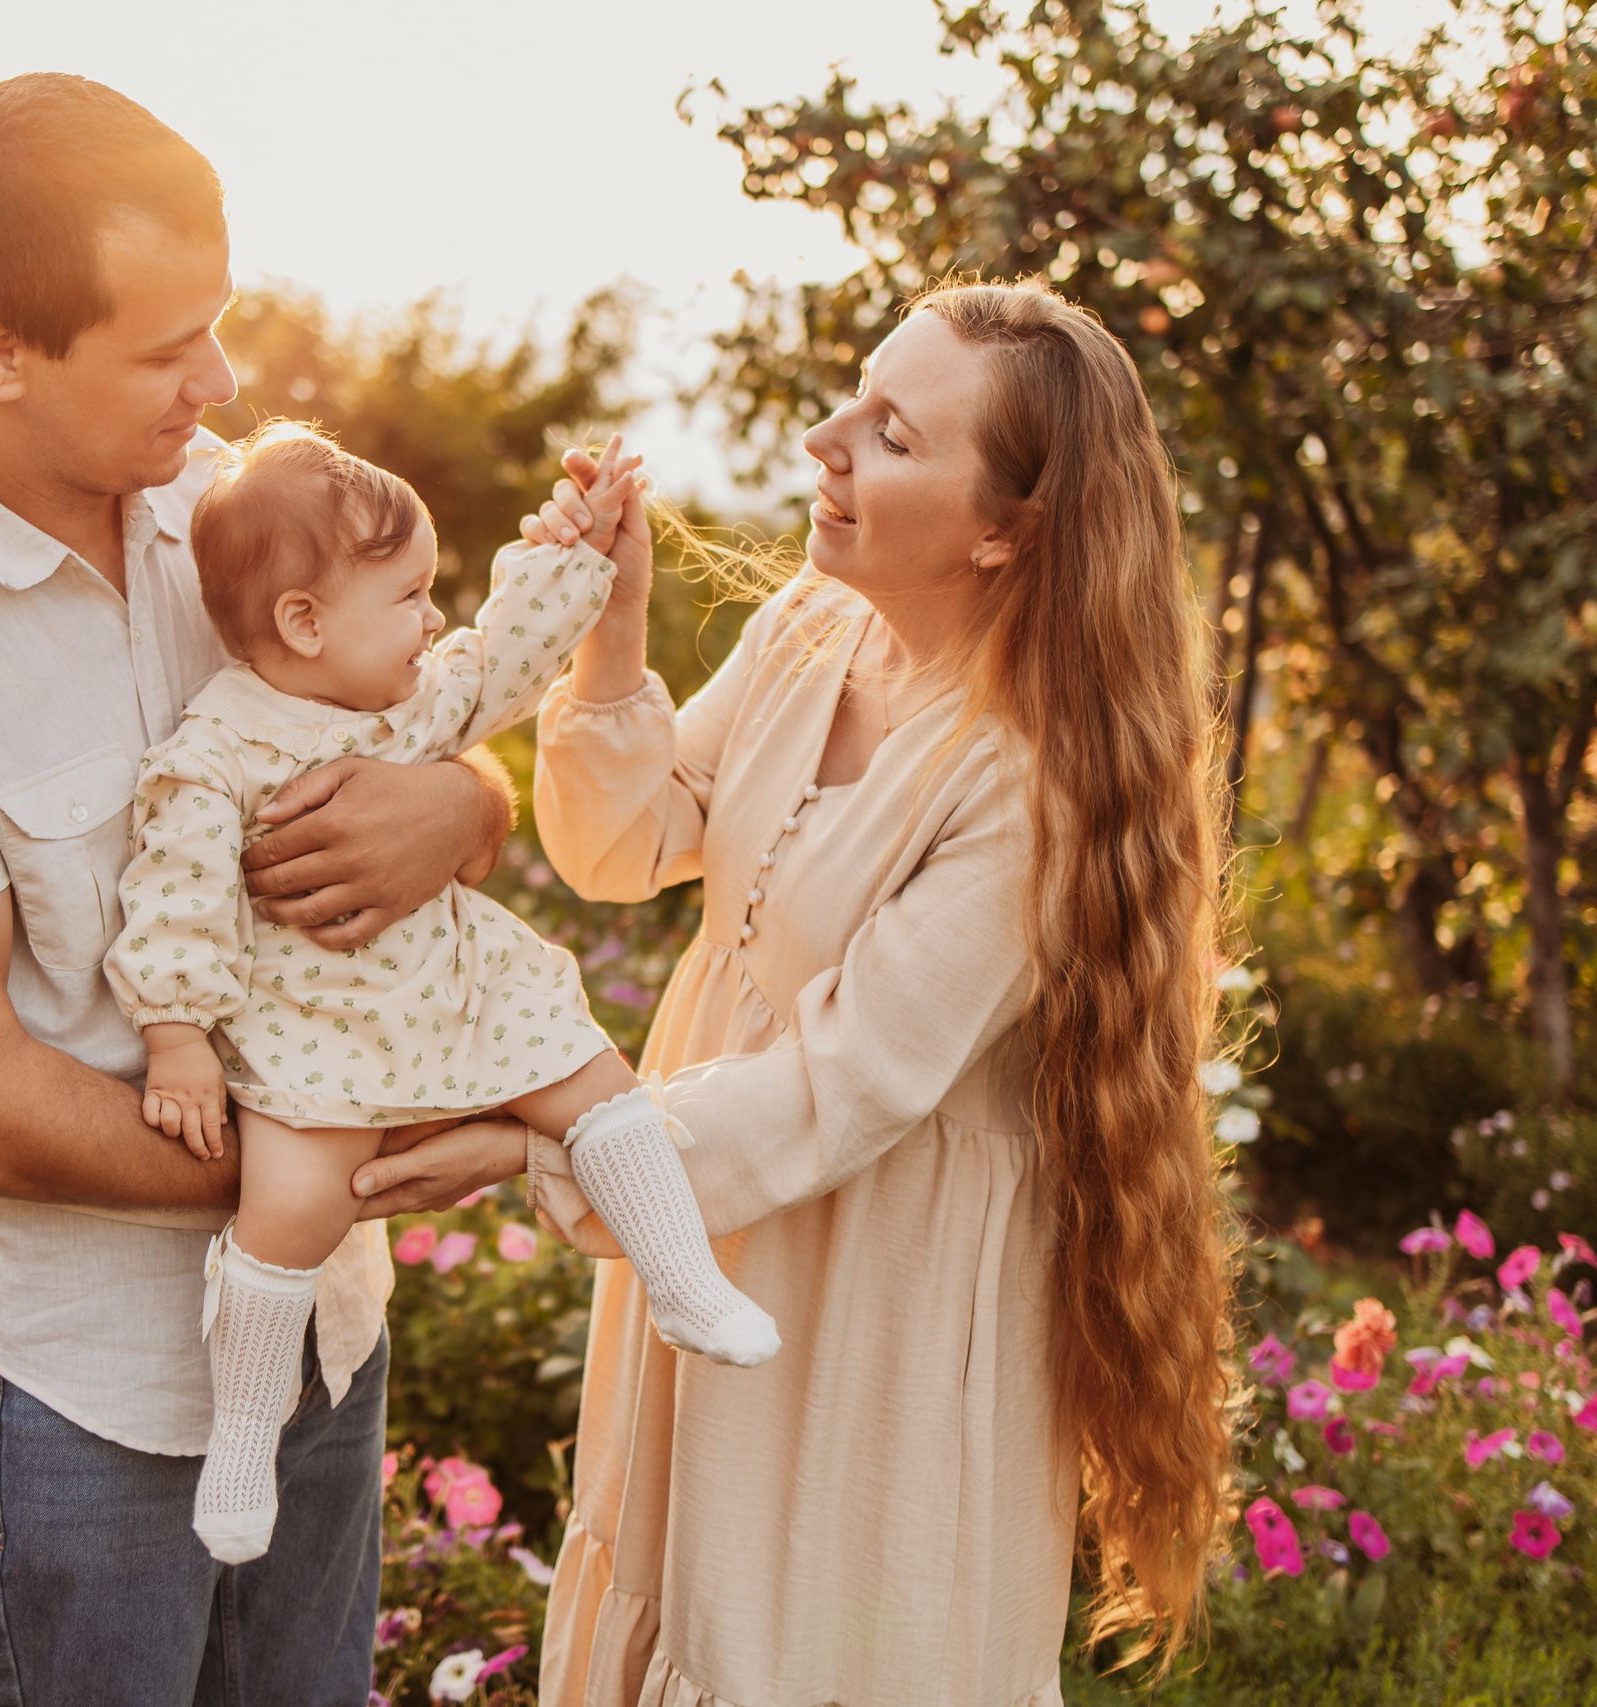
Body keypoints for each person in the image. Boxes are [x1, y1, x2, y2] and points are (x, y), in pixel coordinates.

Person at [0, 74, 524, 1706]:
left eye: (218, 326)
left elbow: (431, 726)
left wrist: (463, 803)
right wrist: (339, 1161)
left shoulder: (242, 512)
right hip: (82, 1373)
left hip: (316, 1332)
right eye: (167, 347)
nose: (220, 381)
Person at [501, 278, 1239, 1705]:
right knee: (684, 1601)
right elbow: (617, 841)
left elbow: (842, 1086)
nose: (827, 439)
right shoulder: (811, 630)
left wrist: (553, 1133)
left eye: (891, 432)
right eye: (855, 397)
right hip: (714, 1209)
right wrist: (612, 629)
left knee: (813, 1635)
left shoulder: (1033, 776)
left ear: (1005, 528)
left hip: (881, 1274)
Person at [108, 422, 777, 1565]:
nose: (432, 621)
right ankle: (241, 1435)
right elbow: (172, 891)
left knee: (597, 1087)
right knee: (291, 1210)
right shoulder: (217, 747)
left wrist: (581, 547)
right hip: (314, 1026)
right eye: (410, 596)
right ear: (303, 622)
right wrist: (175, 1036)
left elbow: (502, 655)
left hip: (460, 986)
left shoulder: (409, 699)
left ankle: (682, 1279)